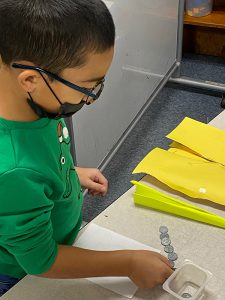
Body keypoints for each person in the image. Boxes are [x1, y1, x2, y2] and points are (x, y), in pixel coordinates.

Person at [0, 0, 173, 296]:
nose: (90, 98)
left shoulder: (37, 106)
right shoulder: (15, 170)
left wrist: (68, 172)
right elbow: (41, 262)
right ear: (30, 79)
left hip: (58, 236)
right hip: (21, 273)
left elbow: (37, 161)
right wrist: (128, 263)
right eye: (87, 87)